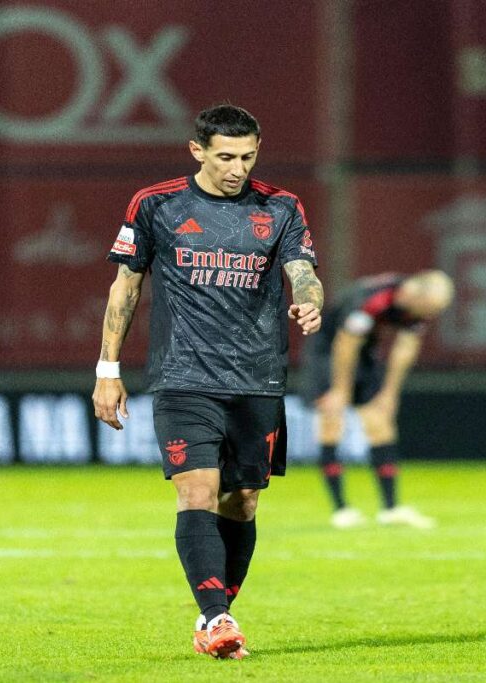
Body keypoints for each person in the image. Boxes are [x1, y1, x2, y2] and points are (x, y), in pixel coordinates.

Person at [91, 104, 322, 660]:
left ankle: (210, 612)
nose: (236, 168)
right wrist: (107, 370)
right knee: (196, 489)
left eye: (247, 156)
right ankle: (219, 620)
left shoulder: (281, 207)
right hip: (182, 377)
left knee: (242, 501)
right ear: (197, 151)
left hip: (258, 379)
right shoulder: (157, 204)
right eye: (225, 156)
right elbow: (126, 287)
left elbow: (303, 271)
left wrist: (310, 302)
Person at [300, 270, 453, 529]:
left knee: (380, 421)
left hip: (365, 352)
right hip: (328, 351)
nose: (430, 316)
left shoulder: (413, 307)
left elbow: (406, 347)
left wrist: (390, 394)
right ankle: (341, 510)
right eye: (429, 309)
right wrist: (339, 390)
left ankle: (391, 508)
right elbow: (345, 344)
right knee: (332, 419)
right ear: (417, 295)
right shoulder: (372, 300)